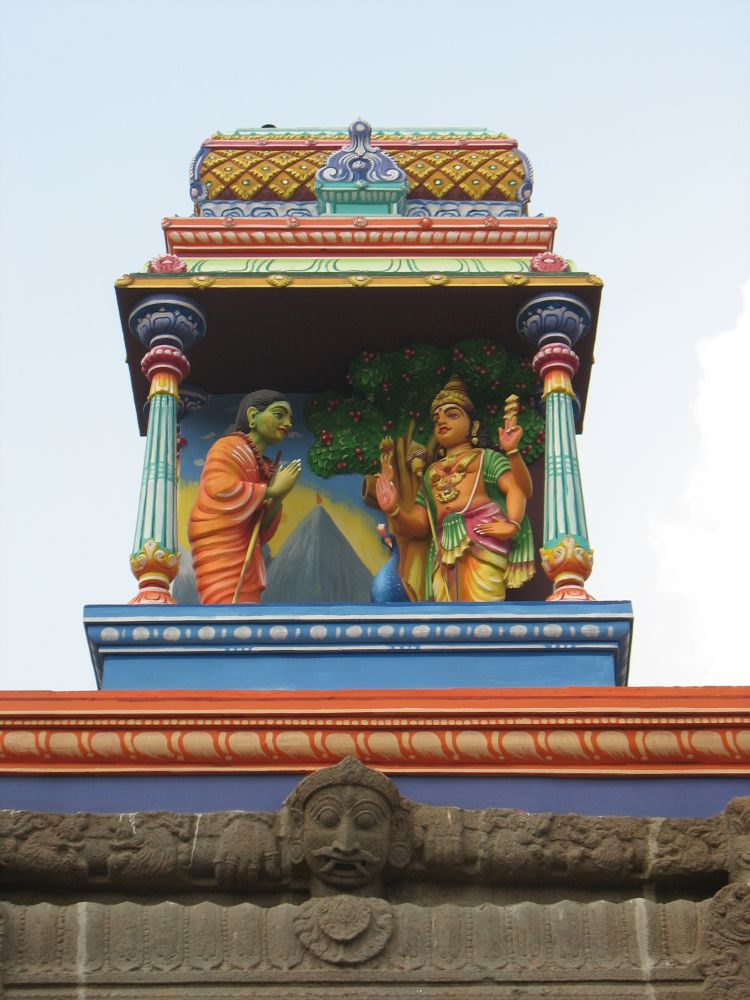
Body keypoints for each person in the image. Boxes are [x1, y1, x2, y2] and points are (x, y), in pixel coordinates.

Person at [375, 376, 534, 602]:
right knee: (447, 611)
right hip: (444, 549)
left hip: (483, 539)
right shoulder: (430, 473)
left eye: (452, 415)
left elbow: (518, 488)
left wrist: (512, 523)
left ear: (474, 426)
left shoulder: (486, 458)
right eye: (437, 419)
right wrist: (394, 509)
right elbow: (421, 525)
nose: (442, 421)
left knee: (483, 609)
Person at [188, 390, 301, 604]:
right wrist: (272, 490)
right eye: (279, 415)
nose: (287, 424)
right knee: (223, 605)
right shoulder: (228, 446)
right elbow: (219, 489)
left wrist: (279, 496)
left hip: (247, 551)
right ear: (252, 416)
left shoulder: (265, 466)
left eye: (290, 418)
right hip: (219, 546)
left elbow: (261, 527)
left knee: (246, 606)